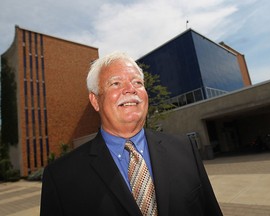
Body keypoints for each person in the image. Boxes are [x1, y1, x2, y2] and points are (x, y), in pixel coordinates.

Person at [40, 51, 223, 216]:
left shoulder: (185, 151)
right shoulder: (60, 178)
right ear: (95, 100)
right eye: (115, 83)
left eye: (137, 82)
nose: (130, 89)